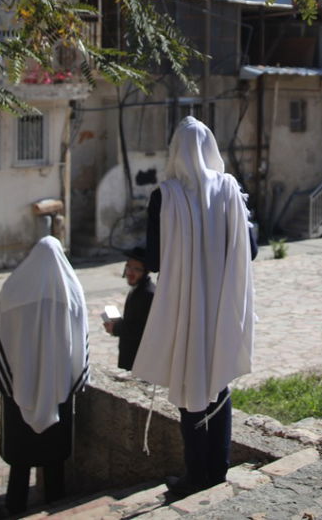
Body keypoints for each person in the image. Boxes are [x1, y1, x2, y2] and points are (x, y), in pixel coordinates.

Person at [133, 117, 257, 498]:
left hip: (187, 306)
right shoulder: (230, 189)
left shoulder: (164, 196)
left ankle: (195, 474)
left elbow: (153, 260)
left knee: (190, 382)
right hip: (220, 301)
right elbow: (249, 250)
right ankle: (216, 469)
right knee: (217, 381)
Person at [0, 236, 89, 516]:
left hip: (19, 385)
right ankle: (56, 502)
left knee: (20, 457)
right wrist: (77, 376)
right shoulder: (72, 291)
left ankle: (14, 505)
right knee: (54, 455)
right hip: (58, 386)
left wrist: (4, 376)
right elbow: (82, 336)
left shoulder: (13, 290)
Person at [103, 246, 155, 370]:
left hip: (140, 360)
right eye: (128, 267)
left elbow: (141, 329)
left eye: (136, 269)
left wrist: (115, 327)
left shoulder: (147, 294)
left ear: (145, 271)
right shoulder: (139, 289)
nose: (130, 272)